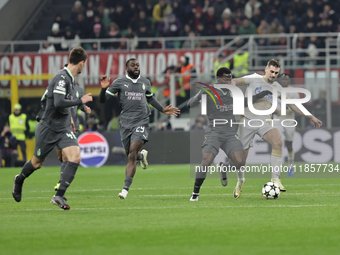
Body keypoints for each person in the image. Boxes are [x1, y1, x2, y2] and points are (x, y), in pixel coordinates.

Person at [12, 46, 93, 210]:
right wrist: (80, 101)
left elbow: (58, 102)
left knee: (75, 157)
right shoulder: (61, 78)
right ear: (82, 62)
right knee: (36, 163)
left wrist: (70, 117)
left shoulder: (70, 79)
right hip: (48, 128)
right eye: (85, 64)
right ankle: (19, 179)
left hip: (63, 127)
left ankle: (59, 195)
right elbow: (58, 102)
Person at [229, 59, 322, 197]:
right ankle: (241, 180)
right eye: (271, 71)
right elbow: (235, 81)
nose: (273, 75)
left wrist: (311, 116)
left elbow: (292, 104)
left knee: (278, 142)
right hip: (247, 120)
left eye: (276, 73)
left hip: (264, 121)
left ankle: (275, 178)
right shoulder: (254, 78)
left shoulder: (278, 88)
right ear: (266, 69)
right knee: (241, 160)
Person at [99, 58, 180, 199]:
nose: (136, 67)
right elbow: (102, 100)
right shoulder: (119, 82)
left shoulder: (145, 82)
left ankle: (125, 190)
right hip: (125, 123)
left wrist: (162, 109)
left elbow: (150, 98)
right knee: (132, 154)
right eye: (133, 65)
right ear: (126, 68)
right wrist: (103, 89)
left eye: (137, 65)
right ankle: (141, 156)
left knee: (131, 154)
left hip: (141, 121)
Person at [187, 67, 272, 201]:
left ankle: (223, 167)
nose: (228, 81)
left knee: (240, 161)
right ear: (218, 79)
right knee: (206, 162)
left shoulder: (234, 93)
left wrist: (262, 94)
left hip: (230, 134)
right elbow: (189, 104)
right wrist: (199, 96)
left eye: (230, 78)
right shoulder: (209, 91)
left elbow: (245, 101)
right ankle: (195, 193)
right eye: (226, 79)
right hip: (214, 133)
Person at [273, 73, 300, 177]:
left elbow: (297, 106)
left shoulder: (293, 92)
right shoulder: (275, 90)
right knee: (277, 143)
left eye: (286, 79)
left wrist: (281, 109)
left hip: (289, 121)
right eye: (282, 79)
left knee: (289, 145)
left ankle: (290, 166)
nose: (284, 80)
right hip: (277, 121)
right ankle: (277, 168)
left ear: (289, 81)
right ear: (280, 80)